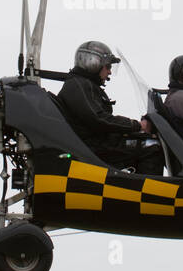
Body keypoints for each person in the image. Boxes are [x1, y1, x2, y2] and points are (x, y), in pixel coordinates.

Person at [57, 41, 163, 175]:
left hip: (98, 143)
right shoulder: (78, 85)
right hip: (93, 147)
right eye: (107, 67)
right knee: (151, 147)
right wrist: (137, 125)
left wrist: (135, 130)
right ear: (93, 63)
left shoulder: (85, 85)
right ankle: (151, 194)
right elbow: (98, 119)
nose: (109, 72)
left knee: (145, 140)